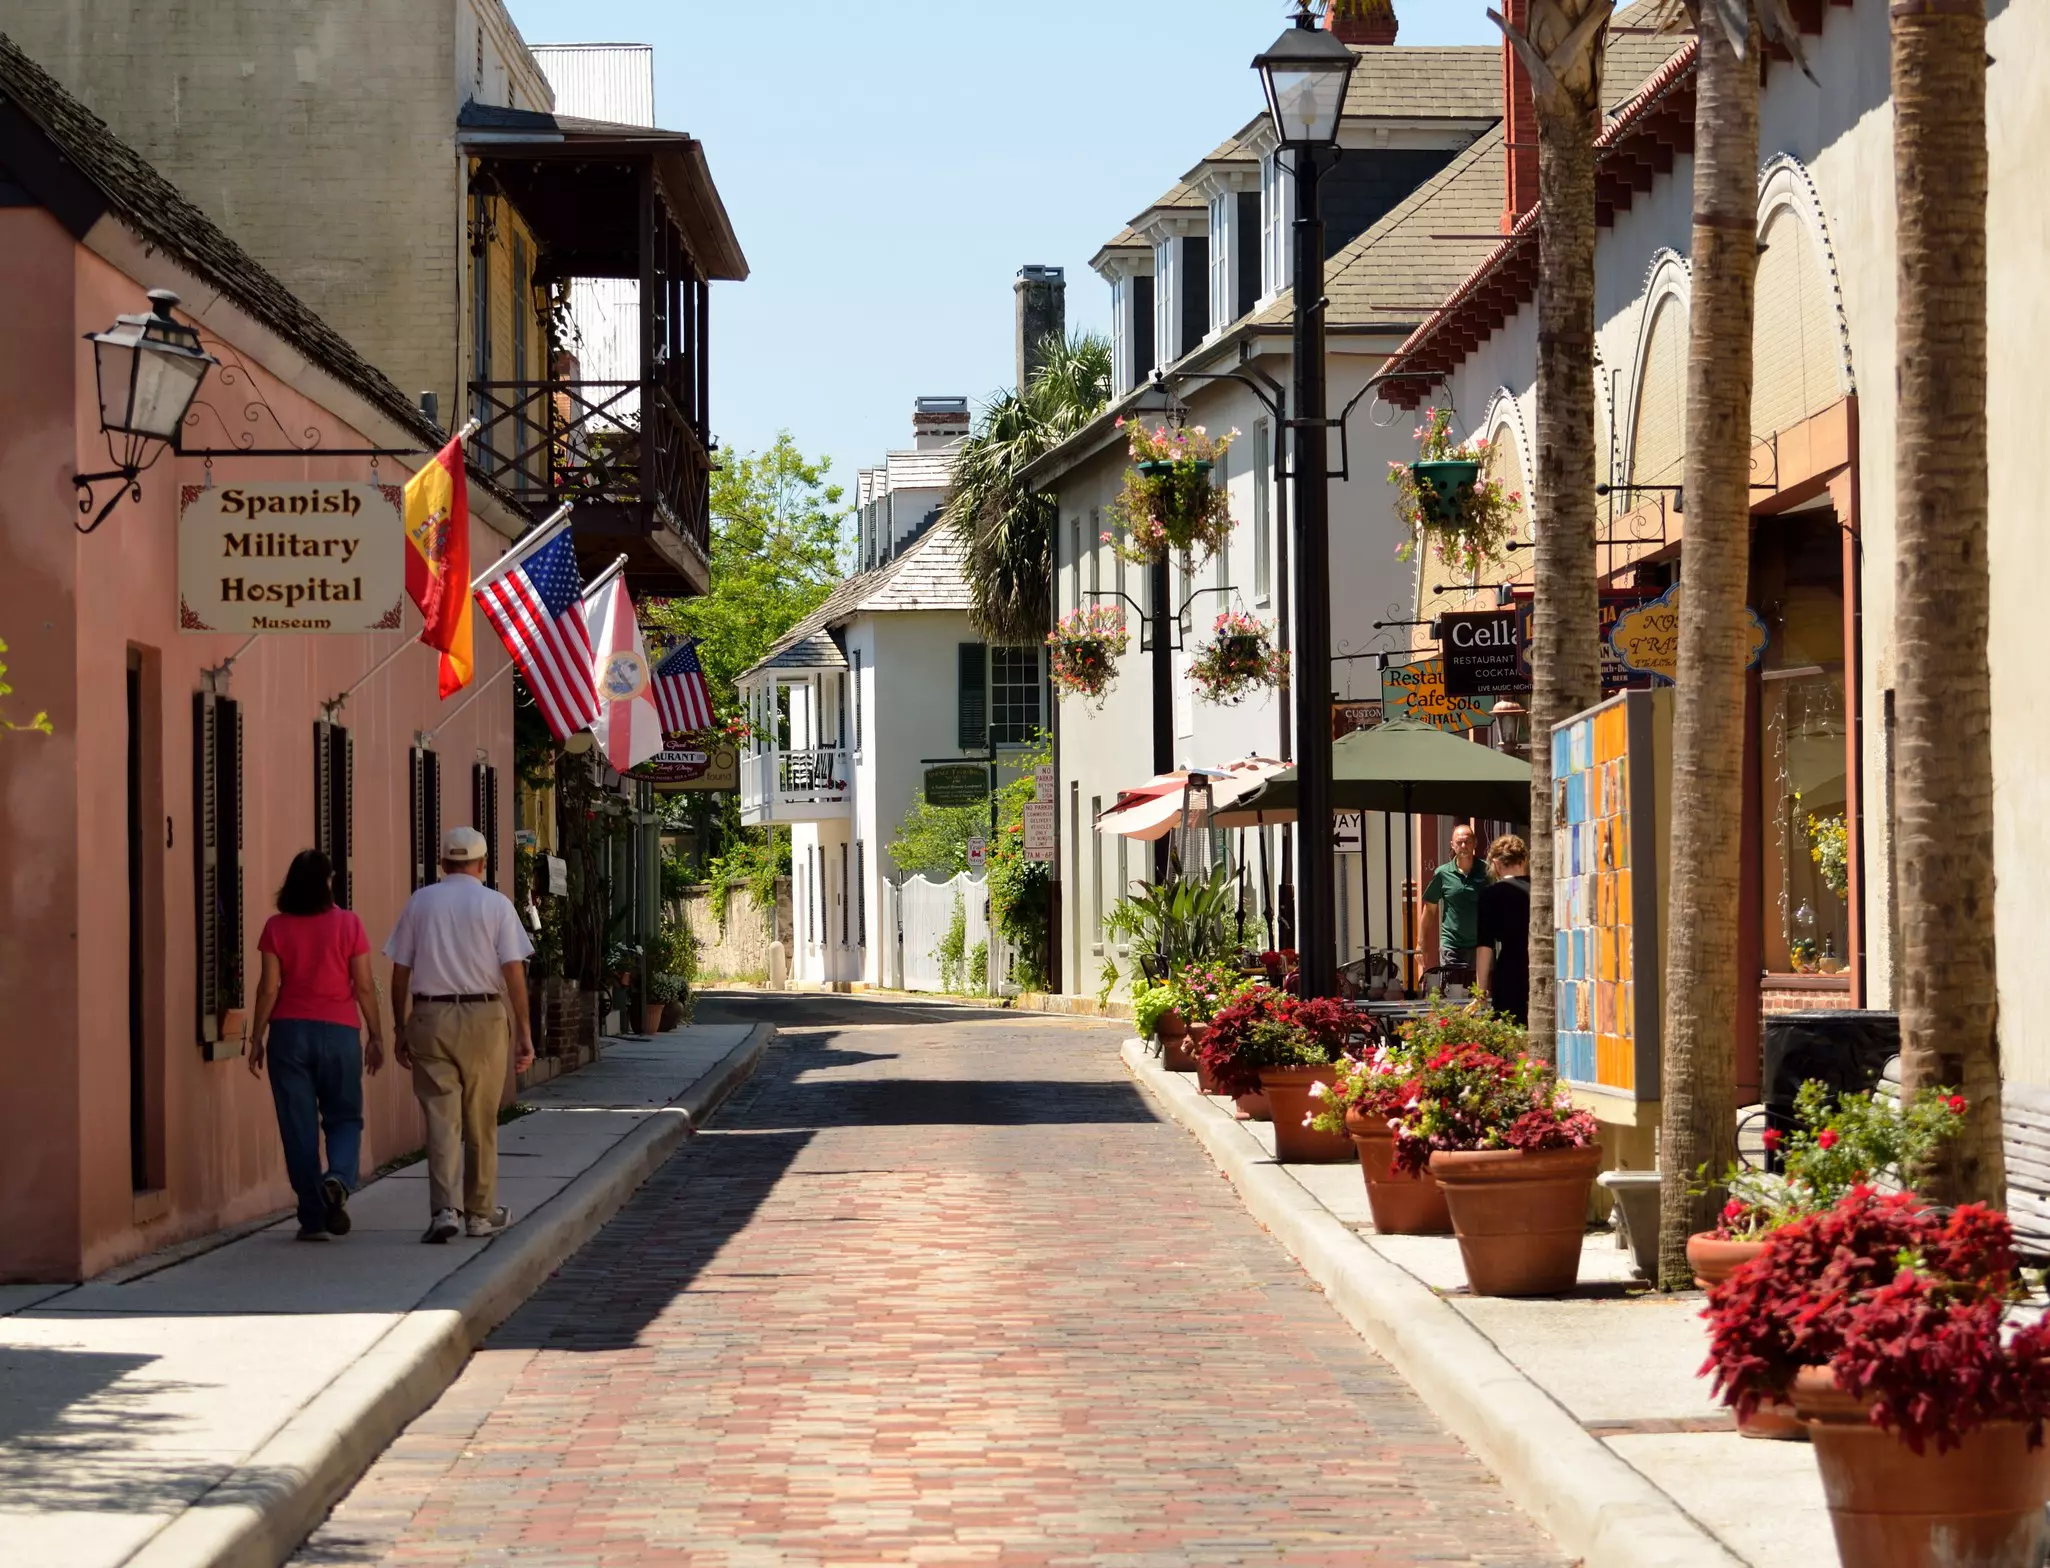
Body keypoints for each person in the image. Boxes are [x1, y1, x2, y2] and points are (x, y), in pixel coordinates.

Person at [386, 826, 535, 1244]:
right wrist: (524, 1030)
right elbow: (513, 970)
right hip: (484, 1015)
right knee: (481, 1119)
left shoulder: (421, 902)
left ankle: (444, 1209)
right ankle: (480, 1212)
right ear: (482, 864)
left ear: (442, 863)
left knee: (441, 1119)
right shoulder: (496, 904)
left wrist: (400, 1026)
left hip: (430, 1016)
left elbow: (400, 970)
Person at [247, 849, 384, 1241]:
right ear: (326, 883)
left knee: (298, 1127)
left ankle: (312, 1216)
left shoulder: (276, 927)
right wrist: (376, 1035)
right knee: (343, 1117)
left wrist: (257, 1036)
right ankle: (338, 1177)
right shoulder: (349, 924)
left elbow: (269, 988)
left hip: (288, 1035)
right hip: (339, 1033)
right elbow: (362, 985)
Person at [1475, 834, 1532, 1027]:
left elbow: (1485, 945)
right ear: (1523, 861)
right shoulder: (1541, 890)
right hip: (1542, 966)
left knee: (1510, 1034)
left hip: (1509, 971)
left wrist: (1480, 991)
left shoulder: (1491, 895)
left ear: (1496, 864)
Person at [1420, 823, 1491, 977]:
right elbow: (1430, 909)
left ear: (1475, 843)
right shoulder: (1442, 873)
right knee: (1453, 992)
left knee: (1479, 994)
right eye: (1459, 842)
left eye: (1468, 841)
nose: (1463, 846)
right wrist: (1421, 942)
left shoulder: (1487, 871)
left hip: (1480, 946)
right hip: (1451, 946)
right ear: (1452, 845)